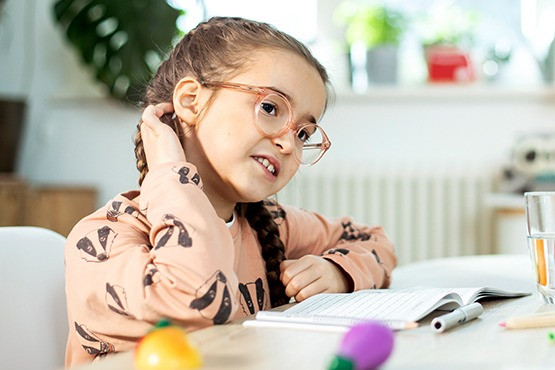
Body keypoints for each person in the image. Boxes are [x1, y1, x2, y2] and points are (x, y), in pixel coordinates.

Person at [64, 16, 397, 366]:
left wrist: (337, 273)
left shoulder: (268, 225)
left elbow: (375, 241)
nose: (288, 143)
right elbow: (196, 297)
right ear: (191, 100)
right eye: (270, 108)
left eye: (303, 134)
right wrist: (167, 172)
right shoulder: (104, 240)